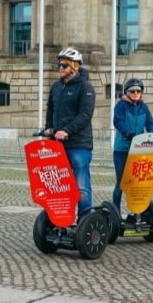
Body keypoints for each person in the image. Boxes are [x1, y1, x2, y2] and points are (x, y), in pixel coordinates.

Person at [45, 46, 96, 220]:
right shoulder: (56, 87)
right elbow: (50, 109)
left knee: (81, 186)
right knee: (58, 185)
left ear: (74, 67)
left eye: (64, 65)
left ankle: (84, 221)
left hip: (79, 145)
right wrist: (48, 128)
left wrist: (67, 131)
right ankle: (59, 217)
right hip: (58, 145)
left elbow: (85, 115)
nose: (60, 68)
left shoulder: (85, 88)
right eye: (59, 65)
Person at [112, 77, 153, 212]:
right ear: (126, 92)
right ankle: (116, 212)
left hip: (138, 150)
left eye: (138, 91)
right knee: (122, 182)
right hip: (122, 150)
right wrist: (129, 133)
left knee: (138, 183)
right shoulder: (120, 106)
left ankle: (139, 212)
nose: (136, 93)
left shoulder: (144, 107)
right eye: (132, 91)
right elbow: (118, 122)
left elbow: (150, 122)